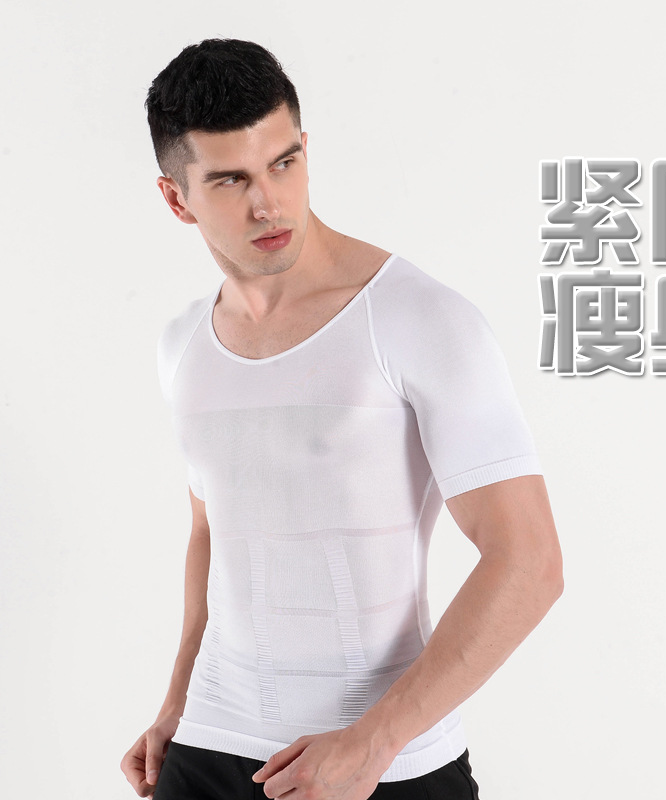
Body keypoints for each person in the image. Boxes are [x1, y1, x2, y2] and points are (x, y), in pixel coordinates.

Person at [120, 37, 563, 800]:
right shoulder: (183, 345)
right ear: (176, 198)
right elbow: (212, 532)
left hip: (381, 762)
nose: (268, 203)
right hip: (208, 746)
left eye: (283, 163)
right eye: (230, 179)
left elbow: (530, 563)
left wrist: (372, 744)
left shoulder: (417, 319)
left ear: (305, 149)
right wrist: (176, 705)